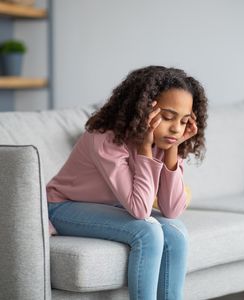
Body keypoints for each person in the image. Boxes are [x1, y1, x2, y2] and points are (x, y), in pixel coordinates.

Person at [46, 66, 208, 300]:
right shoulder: (104, 137)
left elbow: (172, 210)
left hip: (111, 207)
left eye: (183, 121)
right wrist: (144, 148)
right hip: (62, 206)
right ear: (143, 110)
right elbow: (140, 210)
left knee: (175, 230)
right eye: (168, 117)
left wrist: (174, 149)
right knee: (147, 231)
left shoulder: (165, 141)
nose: (176, 128)